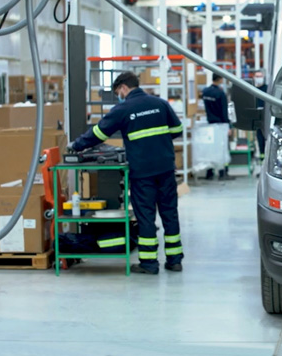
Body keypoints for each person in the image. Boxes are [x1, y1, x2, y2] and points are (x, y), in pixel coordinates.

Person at [70, 72, 184, 275]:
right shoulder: (160, 103)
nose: (119, 96)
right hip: (166, 168)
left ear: (123, 88)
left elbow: (99, 133)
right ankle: (175, 261)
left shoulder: (123, 108)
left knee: (146, 216)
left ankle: (149, 264)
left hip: (143, 171)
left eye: (118, 93)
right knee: (170, 213)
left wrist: (76, 146)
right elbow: (177, 129)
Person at [201, 74, 231, 180]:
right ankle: (223, 172)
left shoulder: (205, 92)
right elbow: (224, 111)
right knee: (222, 149)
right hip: (220, 125)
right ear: (220, 79)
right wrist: (228, 126)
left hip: (210, 125)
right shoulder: (220, 93)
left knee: (211, 149)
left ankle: (209, 173)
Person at [253, 71, 268, 161]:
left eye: (260, 76)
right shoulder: (252, 89)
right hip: (258, 119)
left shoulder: (268, 89)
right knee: (260, 140)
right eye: (257, 76)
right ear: (254, 78)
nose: (259, 78)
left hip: (267, 118)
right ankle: (262, 160)